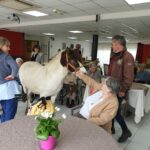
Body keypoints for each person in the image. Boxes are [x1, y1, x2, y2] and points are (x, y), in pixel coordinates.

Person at [108, 35, 134, 142]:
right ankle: (112, 127)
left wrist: (123, 90)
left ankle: (126, 131)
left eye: (114, 44)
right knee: (112, 108)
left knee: (116, 112)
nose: (112, 46)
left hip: (120, 89)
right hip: (112, 87)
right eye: (112, 44)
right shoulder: (115, 55)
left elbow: (129, 77)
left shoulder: (127, 56)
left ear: (120, 45)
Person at [0, 36, 21, 123]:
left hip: (1, 91)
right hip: (11, 89)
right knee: (11, 114)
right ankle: (6, 132)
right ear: (1, 46)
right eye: (7, 46)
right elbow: (15, 67)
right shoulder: (6, 56)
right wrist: (12, 75)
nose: (9, 48)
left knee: (5, 111)